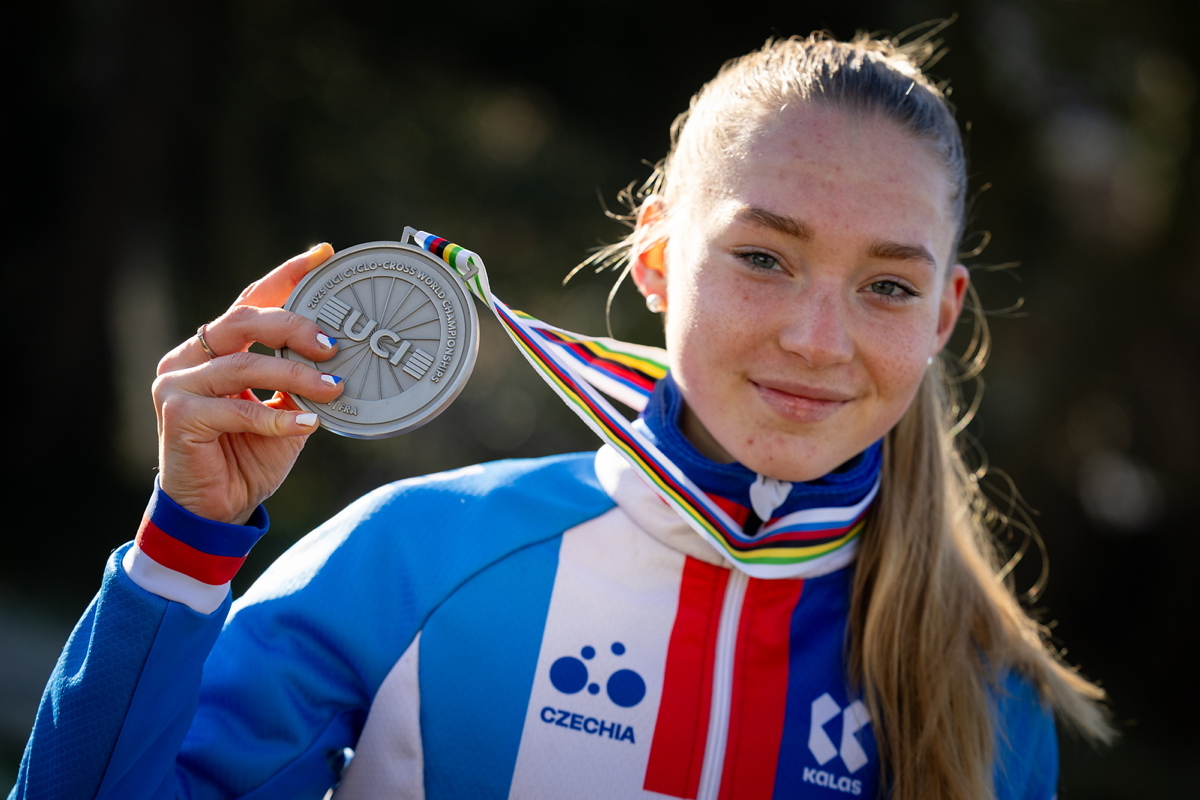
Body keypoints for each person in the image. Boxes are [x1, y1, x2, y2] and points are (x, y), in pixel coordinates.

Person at [11, 32, 1112, 800]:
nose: (819, 340)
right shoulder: (419, 557)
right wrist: (185, 546)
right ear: (658, 259)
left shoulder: (993, 704)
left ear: (942, 313)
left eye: (887, 285)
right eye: (764, 258)